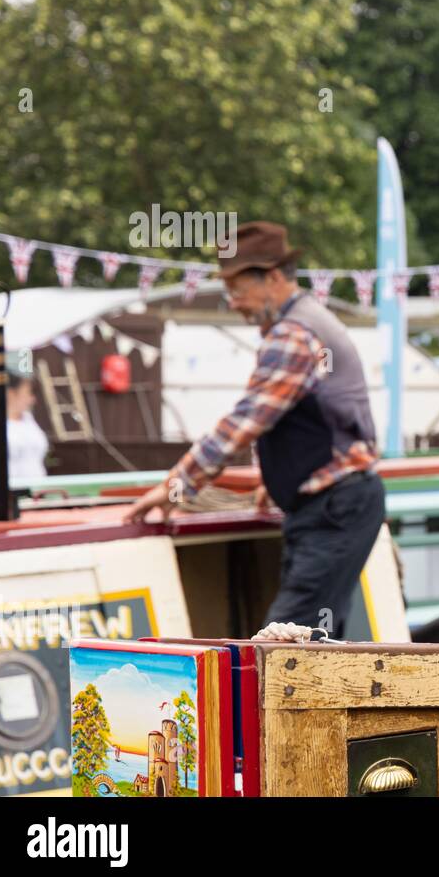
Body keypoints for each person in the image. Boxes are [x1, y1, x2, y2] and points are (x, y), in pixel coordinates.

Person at [123, 222, 386, 638]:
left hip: (333, 509)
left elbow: (243, 423)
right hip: (337, 504)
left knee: (280, 649)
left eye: (238, 288)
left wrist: (176, 487)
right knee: (315, 643)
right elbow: (306, 418)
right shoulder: (310, 322)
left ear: (274, 278)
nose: (234, 303)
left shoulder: (293, 334)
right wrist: (280, 479)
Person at [0, 371, 50, 487]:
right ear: (11, 394)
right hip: (2, 493)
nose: (32, 400)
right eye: (27, 393)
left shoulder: (28, 420)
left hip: (36, 491)